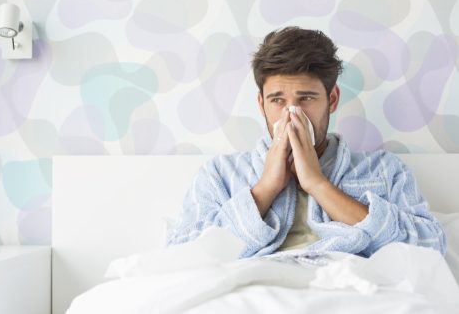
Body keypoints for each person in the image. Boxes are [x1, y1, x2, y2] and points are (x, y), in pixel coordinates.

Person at [167, 26, 446, 258]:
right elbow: (182, 256)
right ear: (261, 104)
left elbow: (430, 247)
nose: (292, 114)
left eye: (306, 98)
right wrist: (266, 188)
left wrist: (319, 184)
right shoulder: (220, 175)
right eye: (278, 100)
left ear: (332, 100)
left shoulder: (384, 171)